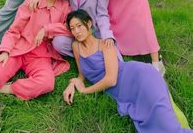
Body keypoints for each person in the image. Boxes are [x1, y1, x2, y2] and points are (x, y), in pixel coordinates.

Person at [63, 9, 192, 133]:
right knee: (151, 113)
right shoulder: (76, 46)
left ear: (89, 23)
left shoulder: (104, 44)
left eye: (79, 26)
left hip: (138, 76)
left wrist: (85, 90)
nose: (76, 31)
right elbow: (81, 75)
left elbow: (111, 80)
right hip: (122, 91)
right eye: (72, 28)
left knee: (161, 112)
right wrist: (72, 84)